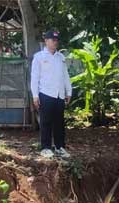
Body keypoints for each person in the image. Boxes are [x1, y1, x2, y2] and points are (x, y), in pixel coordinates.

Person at [30, 30, 72, 159]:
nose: (55, 42)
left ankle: (60, 147)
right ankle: (46, 148)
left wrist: (68, 91)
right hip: (45, 93)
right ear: (46, 41)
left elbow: (65, 76)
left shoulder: (61, 57)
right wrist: (35, 95)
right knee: (46, 122)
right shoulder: (39, 57)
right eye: (53, 40)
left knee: (59, 123)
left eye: (56, 40)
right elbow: (34, 77)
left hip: (59, 94)